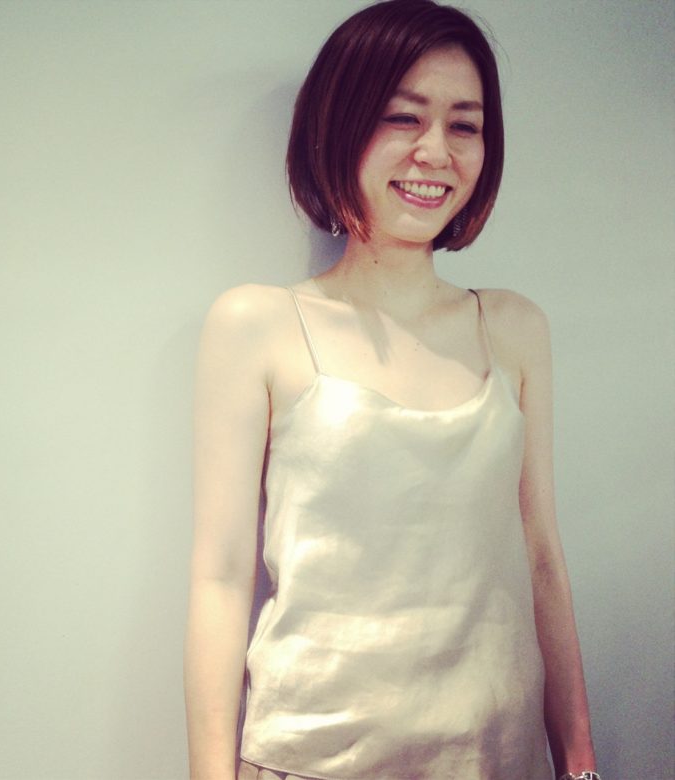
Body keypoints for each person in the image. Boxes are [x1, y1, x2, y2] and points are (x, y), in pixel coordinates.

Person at [184, 1, 599, 778]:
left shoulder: (515, 329)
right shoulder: (258, 325)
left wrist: (580, 763)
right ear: (337, 126)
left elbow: (543, 558)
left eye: (465, 125)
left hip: (495, 755)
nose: (435, 152)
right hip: (310, 758)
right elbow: (222, 576)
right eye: (402, 117)